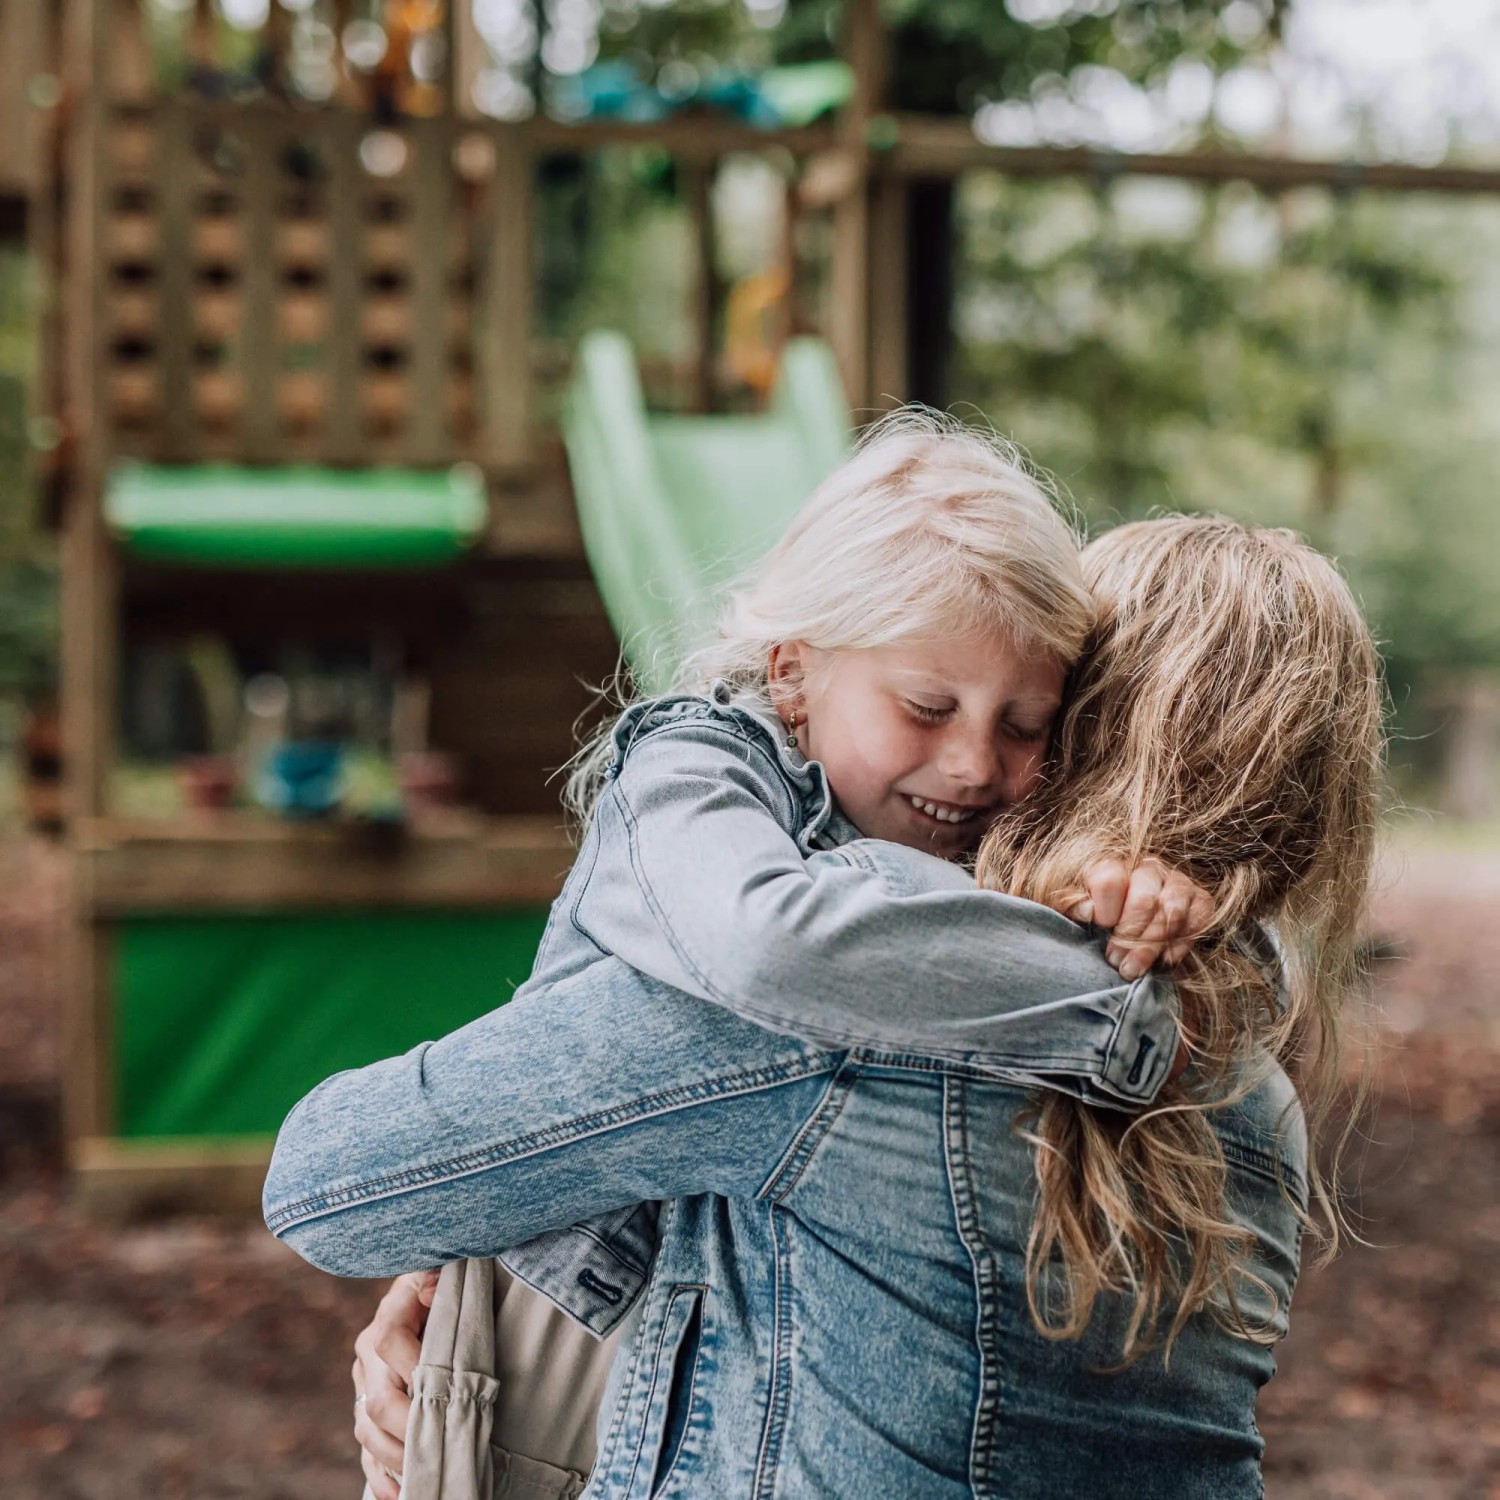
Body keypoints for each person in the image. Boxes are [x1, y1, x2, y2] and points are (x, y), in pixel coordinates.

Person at [264, 512, 1381, 1496]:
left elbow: (330, 1184)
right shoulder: (1253, 1085)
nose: (977, 760)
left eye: (1027, 716)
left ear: (1081, 724)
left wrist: (469, 1302)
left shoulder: (845, 982)